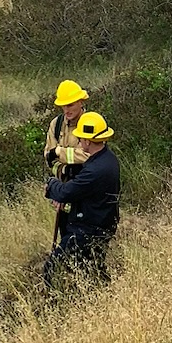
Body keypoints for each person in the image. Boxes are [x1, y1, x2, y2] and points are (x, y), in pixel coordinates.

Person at [44, 112, 123, 289]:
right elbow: (81, 192)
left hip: (86, 230)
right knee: (92, 269)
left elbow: (65, 192)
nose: (78, 142)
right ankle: (102, 299)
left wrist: (51, 185)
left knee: (51, 268)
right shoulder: (108, 159)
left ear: (87, 141)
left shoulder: (94, 170)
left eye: (80, 139)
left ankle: (55, 302)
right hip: (101, 225)